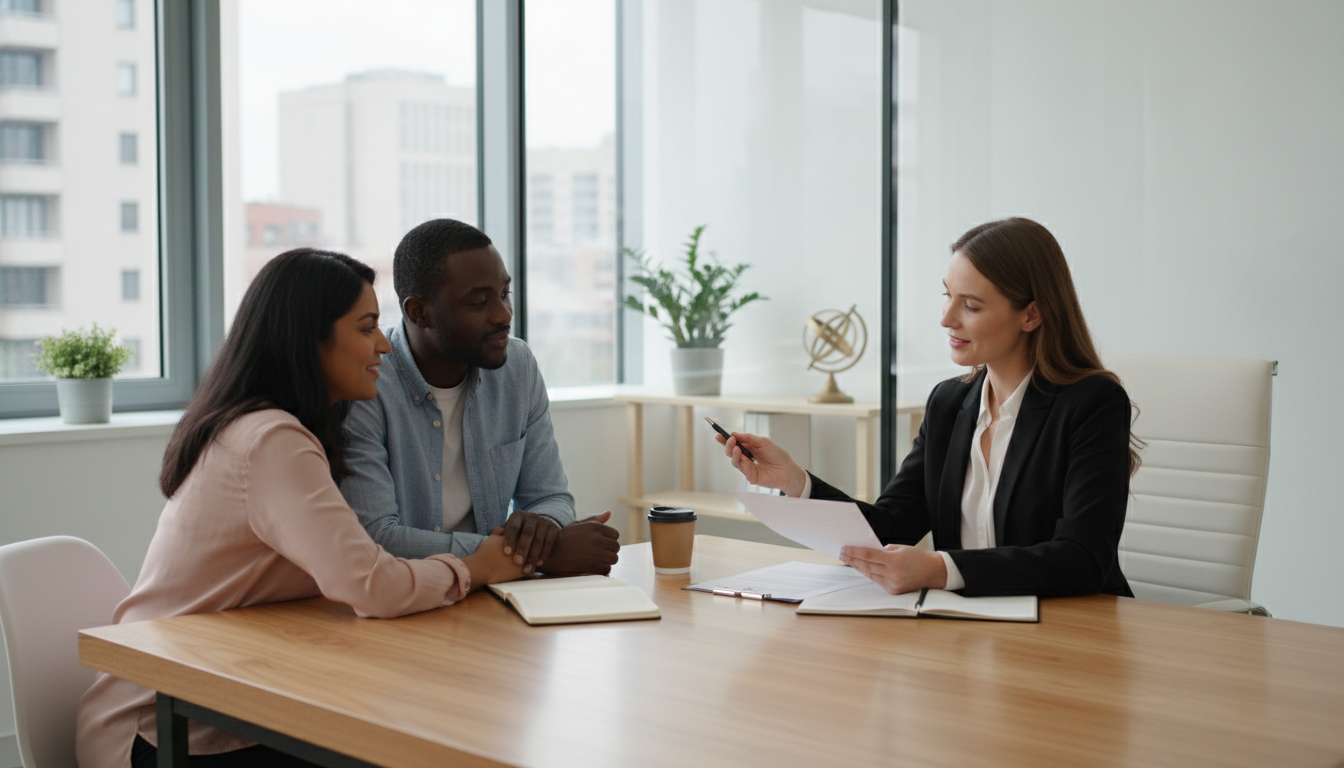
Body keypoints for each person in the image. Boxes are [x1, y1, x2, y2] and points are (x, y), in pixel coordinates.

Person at [77, 249, 525, 768]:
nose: (384, 345)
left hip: (232, 691)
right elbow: (370, 584)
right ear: (309, 341)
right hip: (163, 726)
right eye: (366, 328)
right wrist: (478, 566)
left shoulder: (286, 427)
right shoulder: (271, 441)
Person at [719, 217, 1139, 598]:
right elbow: (891, 526)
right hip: (968, 632)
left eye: (971, 305)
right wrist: (796, 481)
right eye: (947, 295)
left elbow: (1082, 559)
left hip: (1073, 632)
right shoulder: (949, 403)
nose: (946, 318)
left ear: (1031, 314)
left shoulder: (1091, 405)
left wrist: (940, 569)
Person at [340, 218, 619, 576]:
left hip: (493, 593)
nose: (504, 315)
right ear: (418, 312)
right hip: (407, 600)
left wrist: (542, 527)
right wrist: (533, 555)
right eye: (480, 302)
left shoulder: (517, 366)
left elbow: (550, 496)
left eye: (504, 294)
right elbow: (376, 537)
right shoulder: (367, 383)